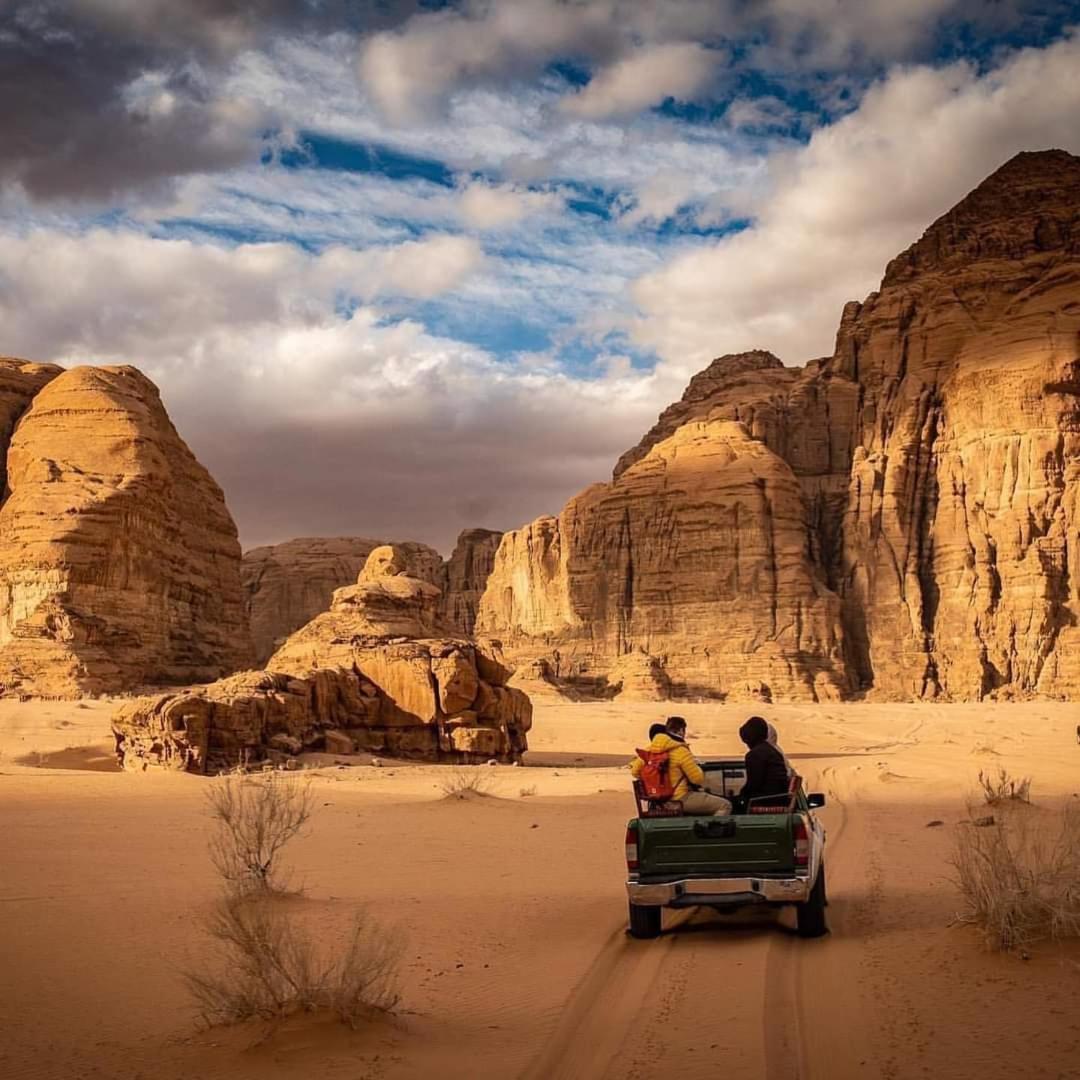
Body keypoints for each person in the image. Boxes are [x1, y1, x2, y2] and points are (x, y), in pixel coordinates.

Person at [630, 716, 731, 815]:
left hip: (658, 801)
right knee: (725, 805)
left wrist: (653, 781)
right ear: (681, 731)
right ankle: (709, 831)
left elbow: (634, 772)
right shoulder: (680, 750)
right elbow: (697, 779)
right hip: (679, 799)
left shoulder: (649, 750)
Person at [738, 715, 791, 809]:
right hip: (779, 799)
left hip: (766, 800)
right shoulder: (774, 751)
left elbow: (754, 784)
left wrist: (741, 795)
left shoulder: (754, 755)